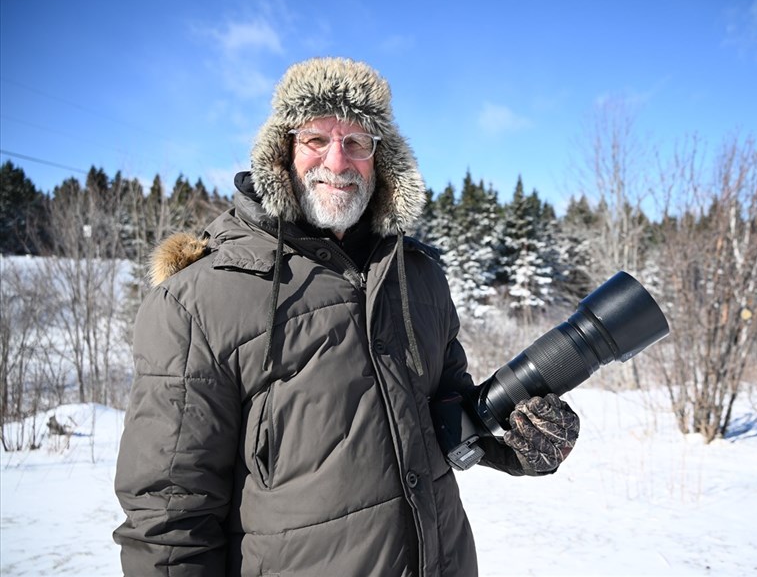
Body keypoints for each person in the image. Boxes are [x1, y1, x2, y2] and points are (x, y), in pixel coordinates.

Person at [113, 57, 580, 577]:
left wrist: (515, 439)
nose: (337, 162)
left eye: (357, 142)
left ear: (381, 160)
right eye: (316, 139)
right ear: (282, 152)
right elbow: (169, 518)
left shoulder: (418, 278)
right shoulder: (199, 300)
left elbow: (447, 414)